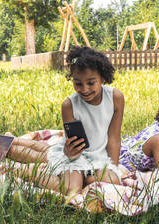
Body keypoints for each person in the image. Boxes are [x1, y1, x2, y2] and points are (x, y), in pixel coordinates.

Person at [40, 46, 126, 195]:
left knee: (112, 184)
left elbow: (114, 138)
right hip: (77, 158)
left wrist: (113, 168)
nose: (85, 89)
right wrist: (69, 153)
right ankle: (30, 174)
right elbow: (74, 146)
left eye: (91, 83)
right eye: (78, 83)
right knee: (71, 190)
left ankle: (90, 179)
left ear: (102, 78)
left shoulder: (115, 97)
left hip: (100, 157)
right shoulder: (69, 105)